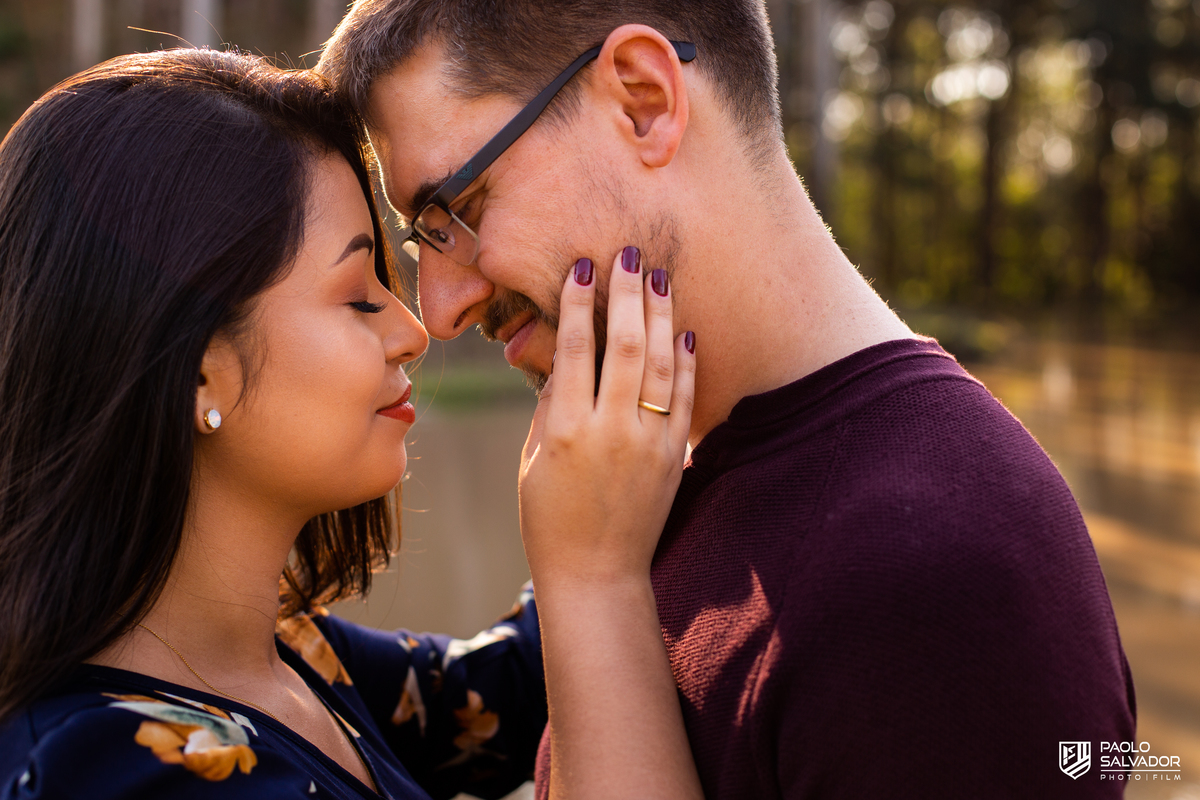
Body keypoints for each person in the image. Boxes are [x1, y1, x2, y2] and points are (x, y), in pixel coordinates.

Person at [317, 1, 1138, 797]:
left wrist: (593, 587)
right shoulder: (646, 485)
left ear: (643, 100)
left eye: (457, 210)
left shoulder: (934, 582)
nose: (441, 311)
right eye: (425, 240)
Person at [0, 49, 704, 800]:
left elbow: (505, 689)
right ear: (197, 369)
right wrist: (592, 576)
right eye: (358, 297)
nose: (414, 331)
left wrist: (639, 470)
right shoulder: (110, 769)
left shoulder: (288, 654)